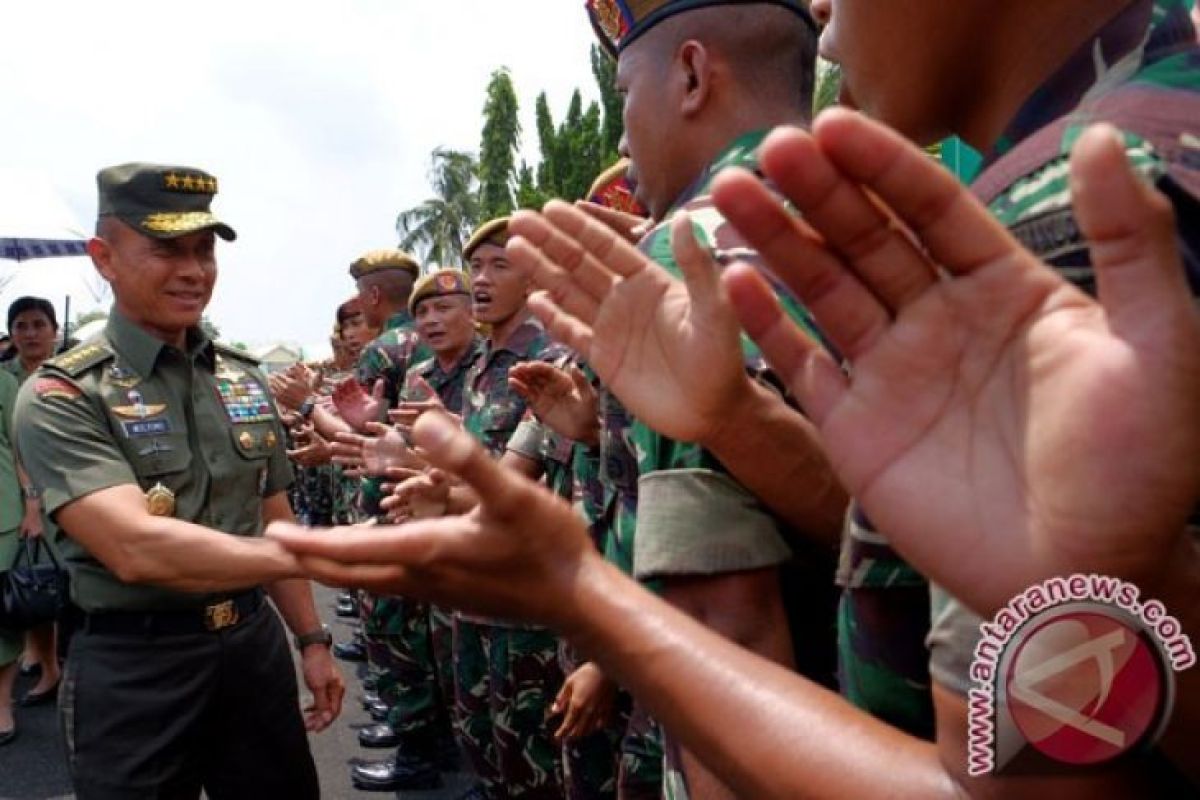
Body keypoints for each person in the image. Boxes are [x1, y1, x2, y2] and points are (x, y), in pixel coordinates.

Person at [273, 117, 1200, 799]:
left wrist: (580, 594)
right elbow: (1044, 748)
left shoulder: (1120, 187)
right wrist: (1113, 580)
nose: (828, 15)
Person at [13, 162, 344, 798]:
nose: (194, 270)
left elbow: (272, 512)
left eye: (204, 250)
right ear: (103, 258)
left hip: (252, 649)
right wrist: (346, 554)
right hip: (137, 664)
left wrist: (312, 639)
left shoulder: (242, 378)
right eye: (167, 250)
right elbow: (135, 548)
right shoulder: (63, 393)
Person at [351, 268, 483, 793]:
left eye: (445, 308)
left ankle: (457, 763)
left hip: (469, 534)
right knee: (421, 646)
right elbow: (398, 451)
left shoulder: (494, 370)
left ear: (472, 312)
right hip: (416, 524)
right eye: (424, 310)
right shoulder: (419, 374)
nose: (430, 319)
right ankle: (428, 751)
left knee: (471, 671)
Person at [4, 296, 64, 705]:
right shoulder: (5, 376)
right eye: (21, 325)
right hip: (24, 493)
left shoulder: (71, 376)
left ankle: (58, 661)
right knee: (34, 578)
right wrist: (30, 501)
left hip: (70, 487)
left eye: (38, 324)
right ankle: (46, 663)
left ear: (54, 331)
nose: (30, 333)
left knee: (64, 580)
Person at [0, 367, 22, 746]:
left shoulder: (5, 381)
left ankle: (2, 704)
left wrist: (33, 505)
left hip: (2, 514)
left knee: (2, 619)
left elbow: (21, 446)